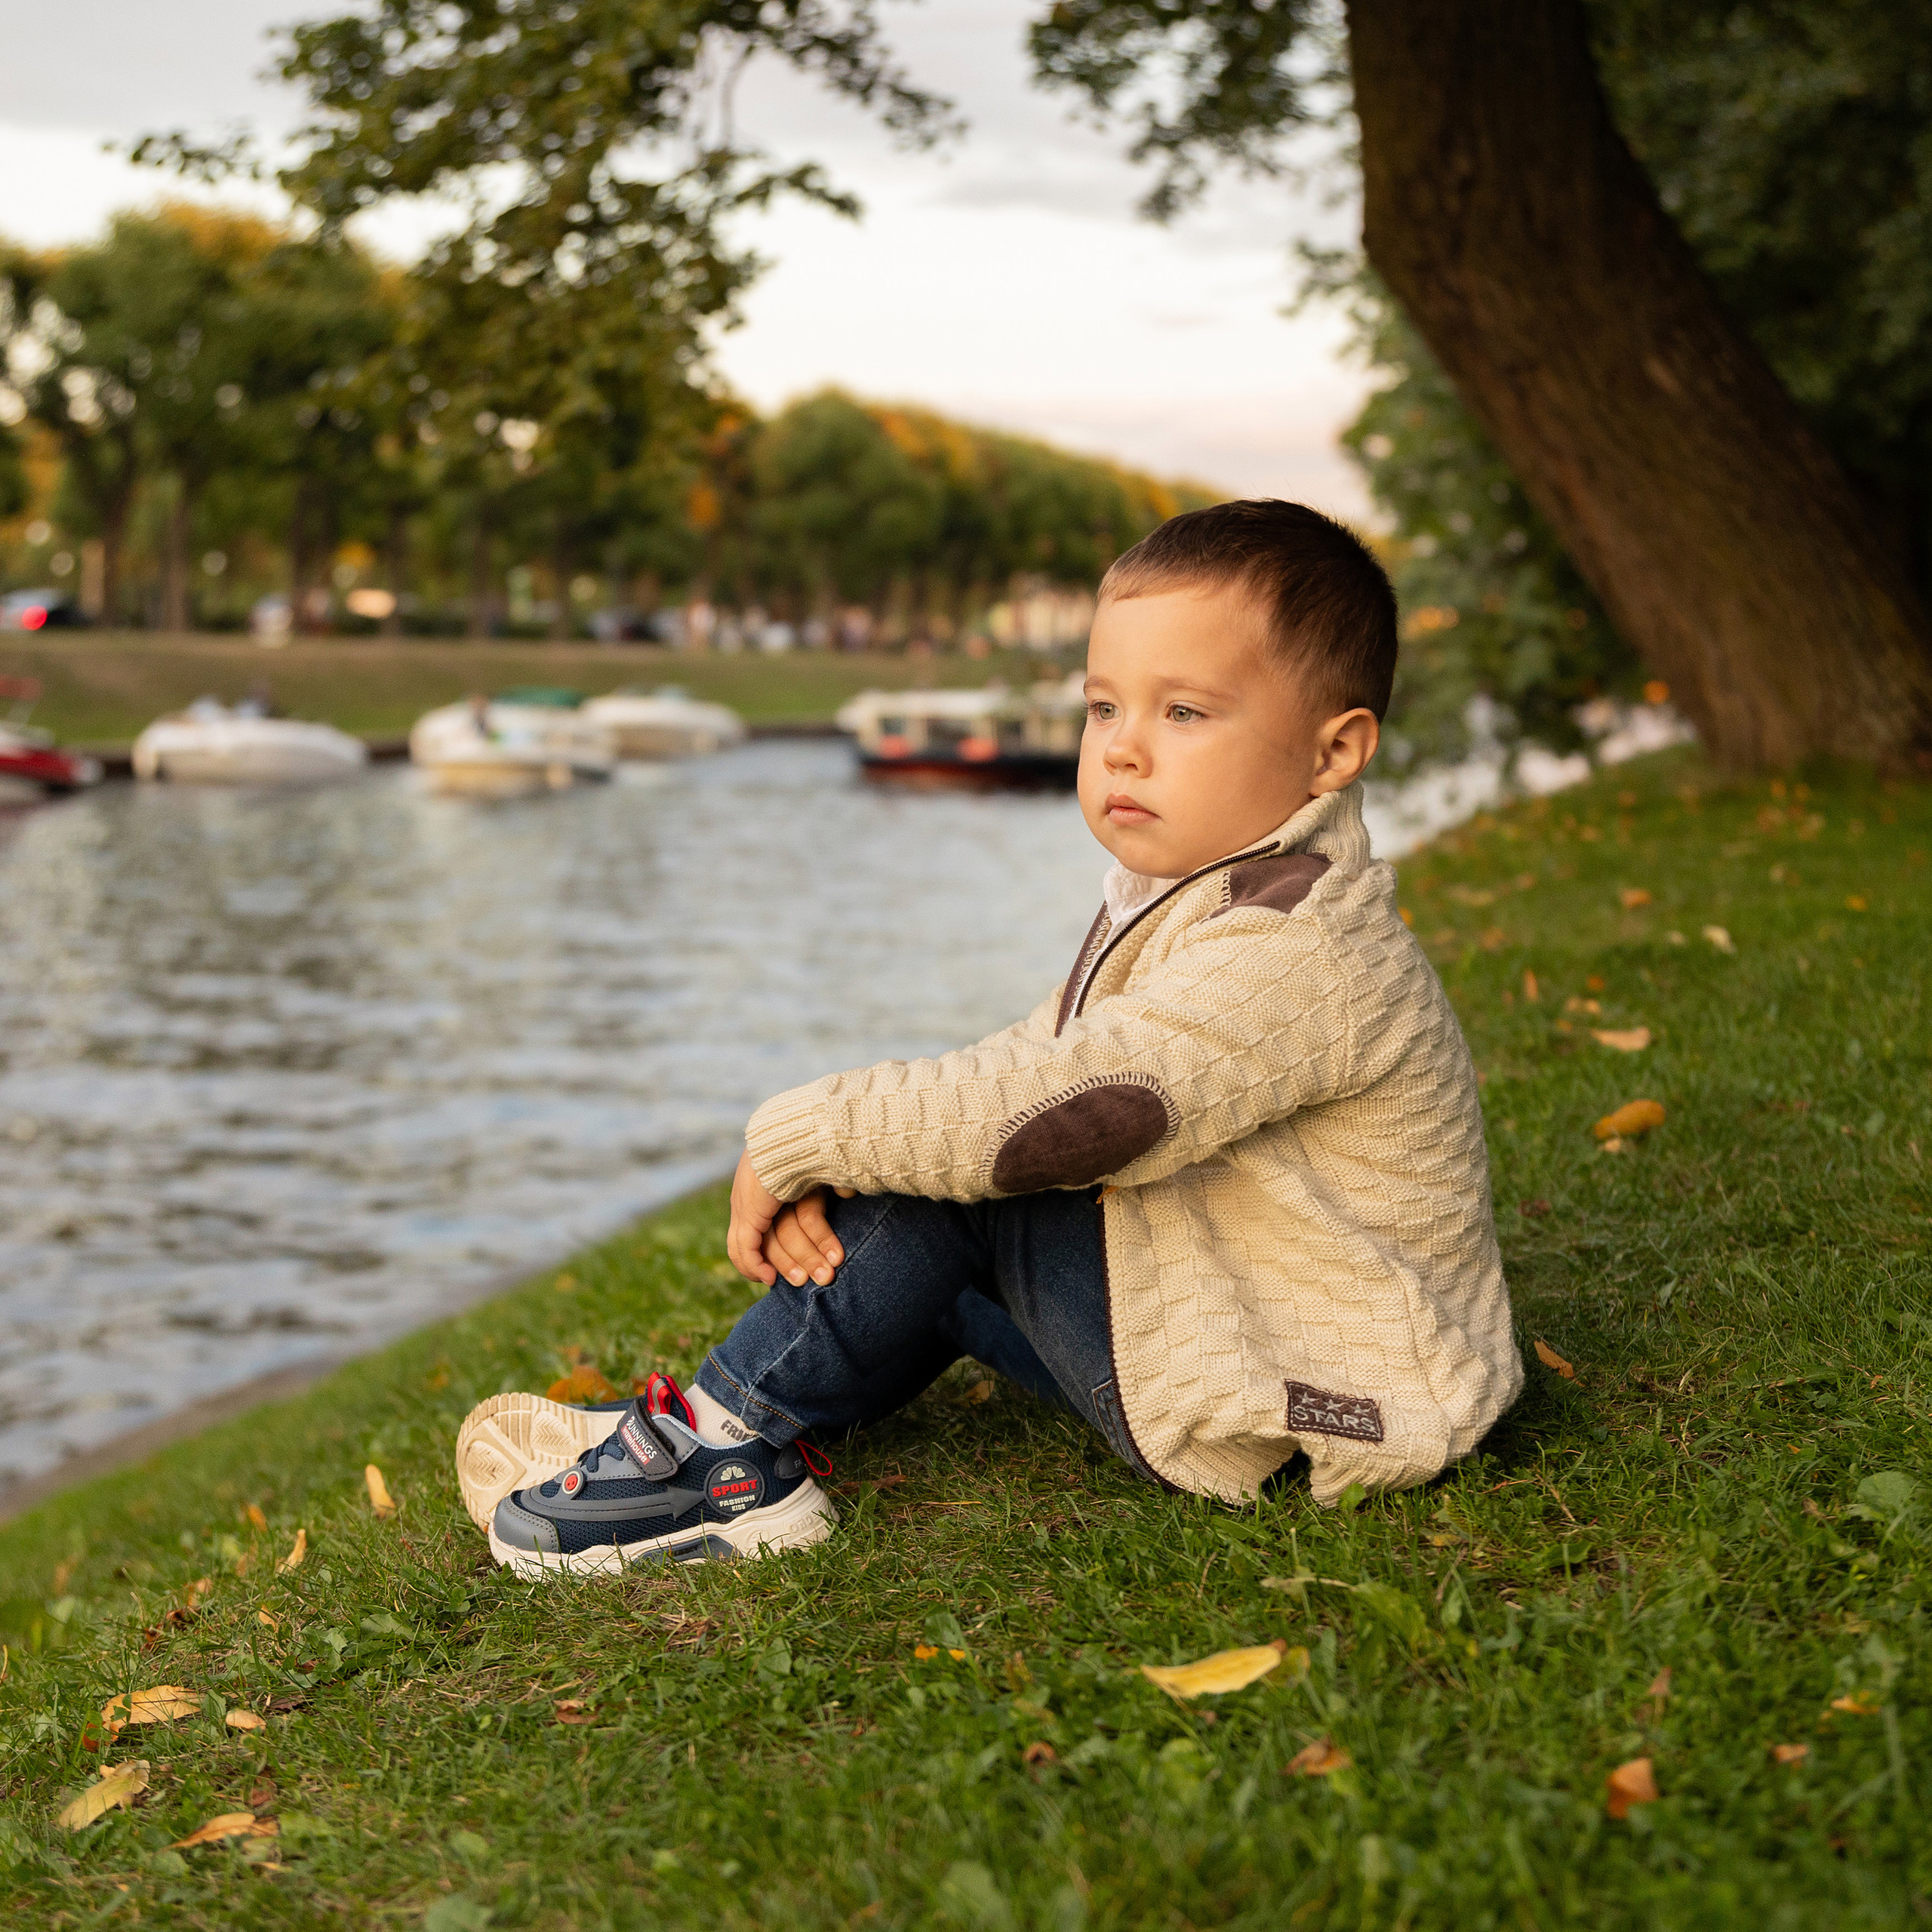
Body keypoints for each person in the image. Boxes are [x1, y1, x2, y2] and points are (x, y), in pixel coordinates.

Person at [455, 500, 1523, 1577]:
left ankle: (726, 1468)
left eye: (1187, 713)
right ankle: (739, 1412)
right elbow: (1051, 1049)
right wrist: (864, 1134)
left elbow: (1066, 1112)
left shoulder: (1300, 952)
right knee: (928, 1174)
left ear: (1334, 750)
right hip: (1248, 1326)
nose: (1126, 751)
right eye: (1105, 709)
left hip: (1313, 1409)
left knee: (947, 1183)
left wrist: (801, 1132)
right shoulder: (1212, 891)